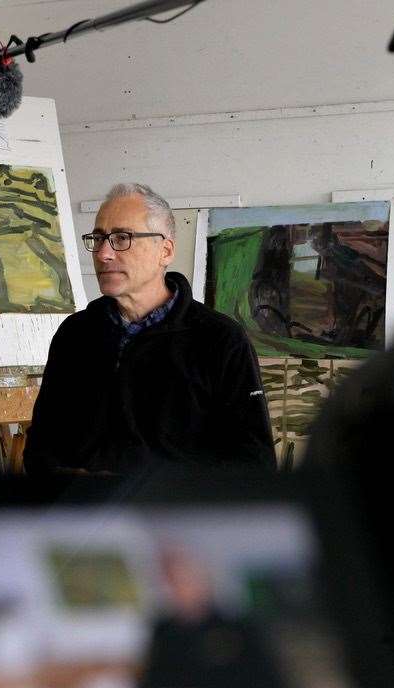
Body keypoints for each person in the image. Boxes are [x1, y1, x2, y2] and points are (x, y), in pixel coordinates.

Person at [23, 183, 276, 477]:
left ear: (165, 250)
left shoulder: (219, 340)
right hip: (84, 517)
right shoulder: (75, 335)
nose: (103, 253)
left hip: (173, 519)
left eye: (121, 238)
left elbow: (254, 465)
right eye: (99, 238)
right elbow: (40, 450)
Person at [139, 546, 292, 688]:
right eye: (171, 582)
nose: (178, 589)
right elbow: (150, 686)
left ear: (204, 580)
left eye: (185, 580)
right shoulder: (164, 631)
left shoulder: (237, 628)